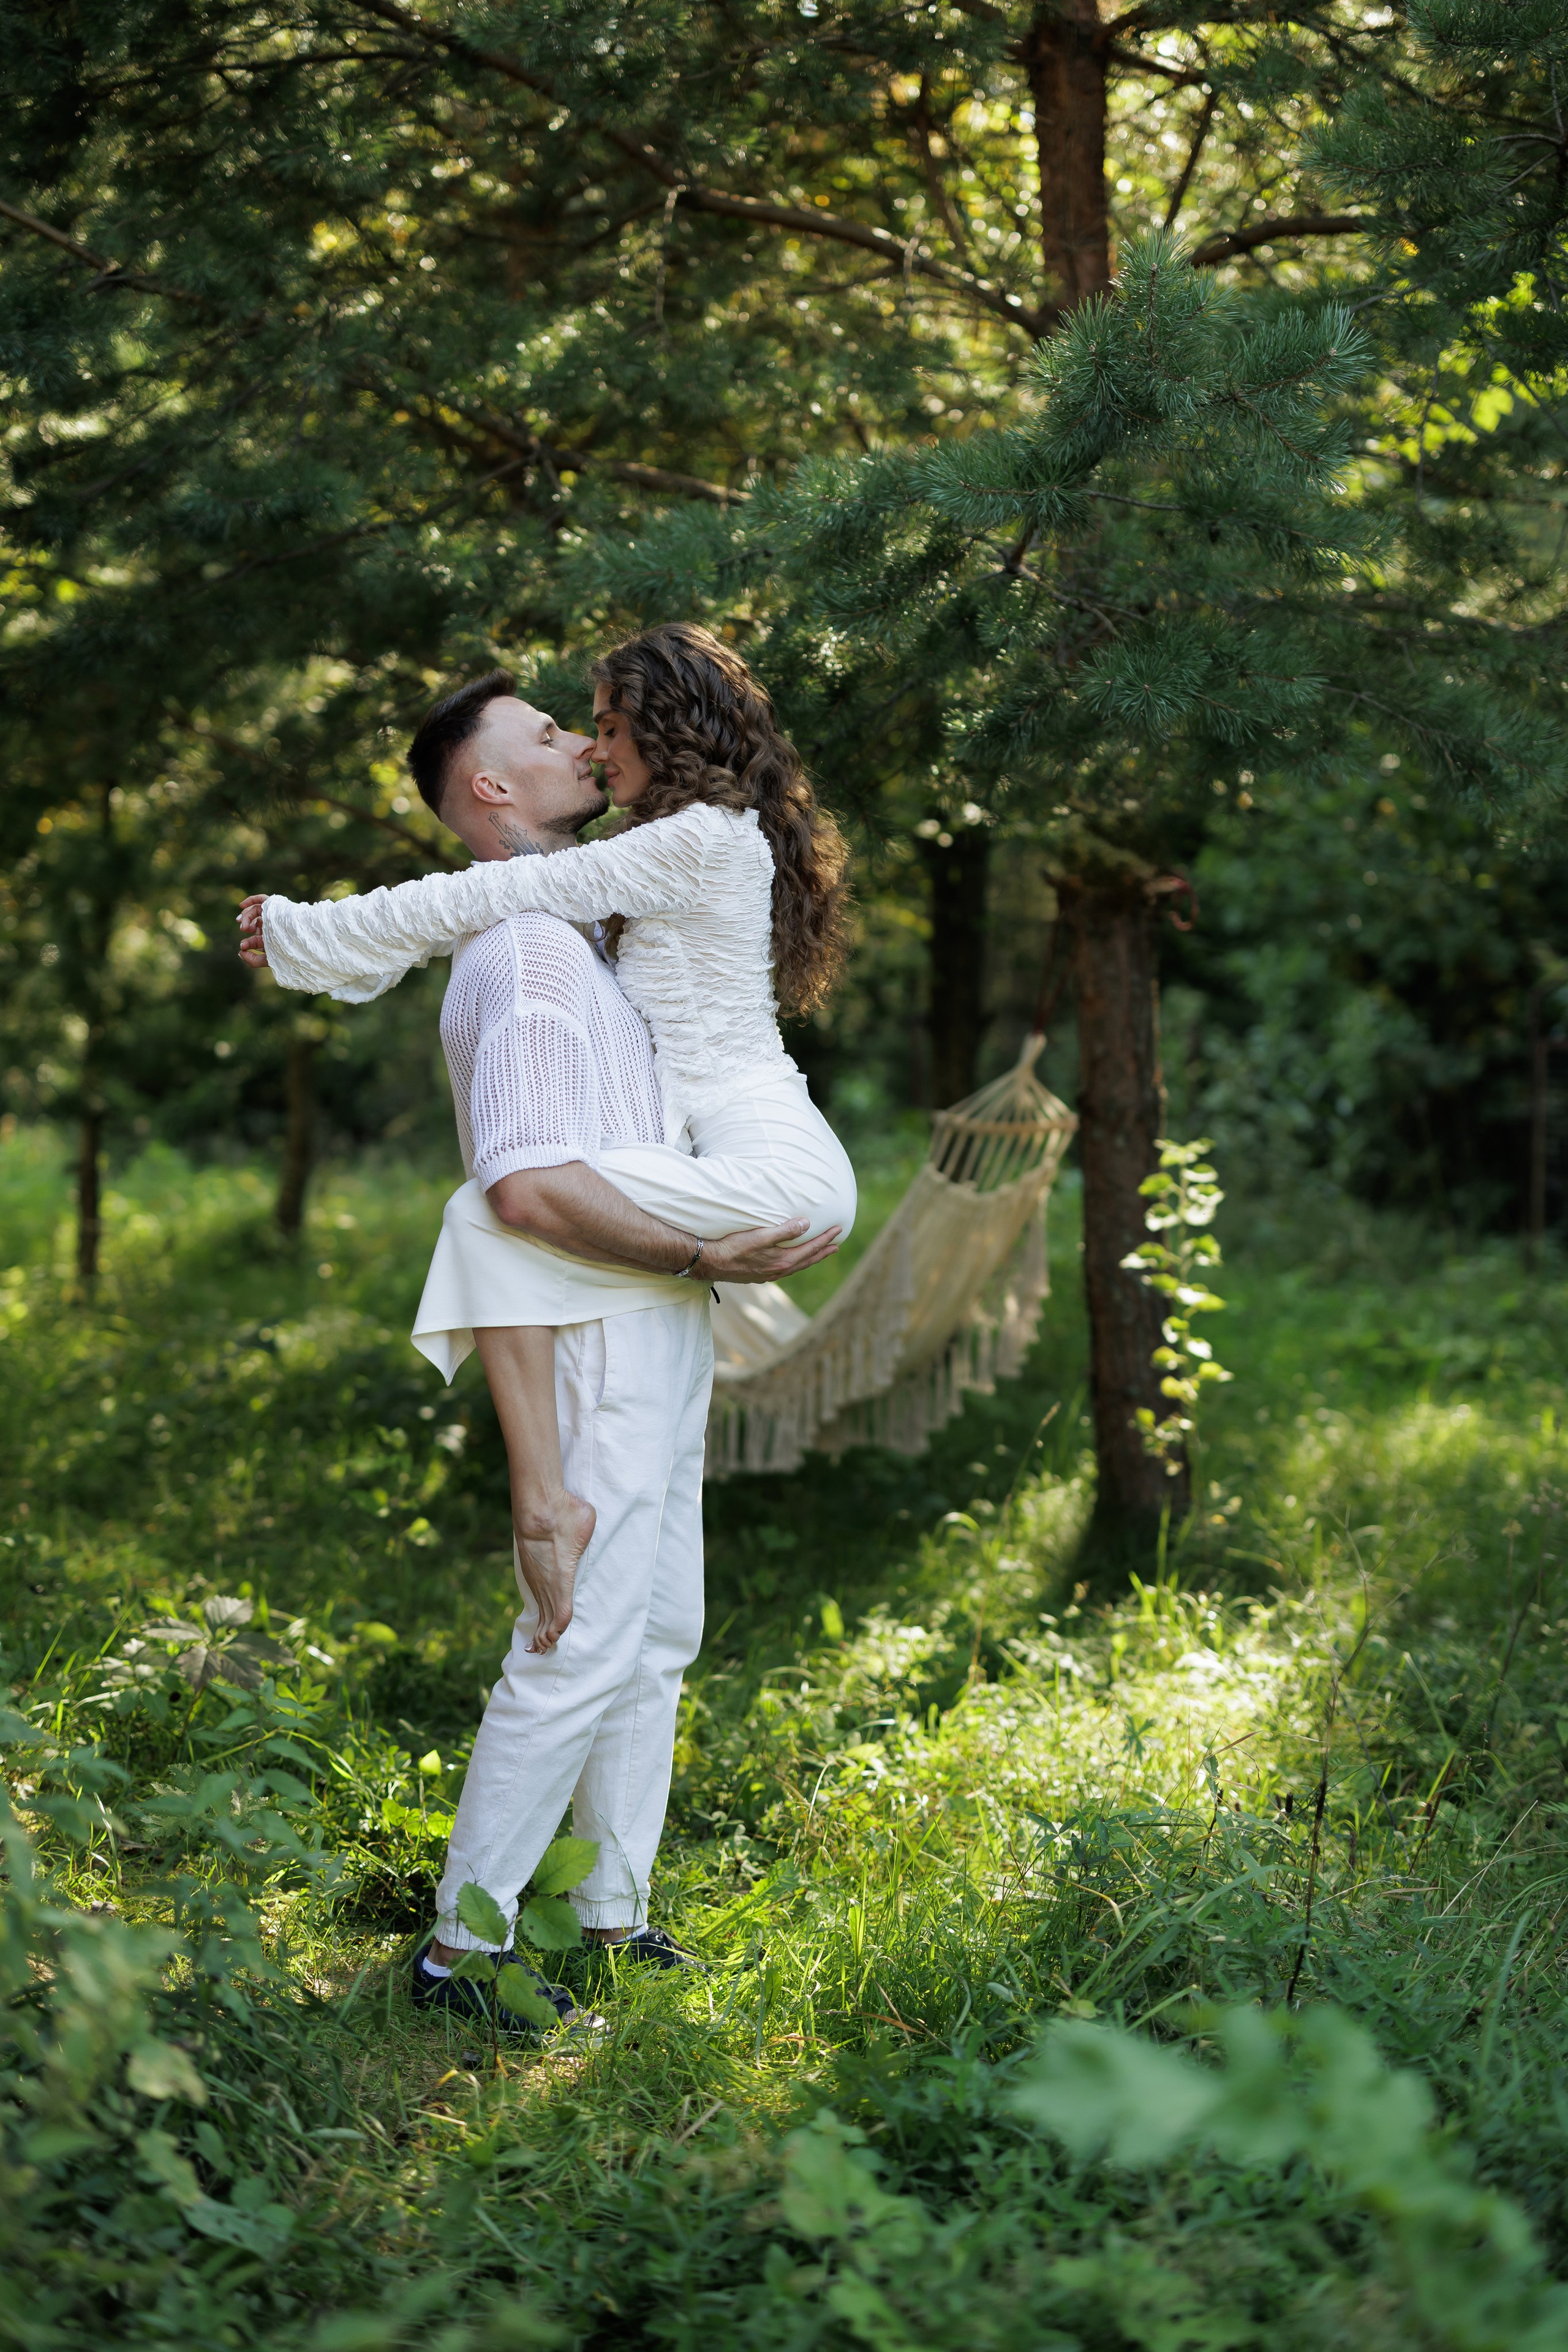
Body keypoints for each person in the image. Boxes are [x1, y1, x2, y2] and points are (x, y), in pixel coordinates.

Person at [237, 638, 850, 2019]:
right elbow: (520, 1195)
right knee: (576, 1641)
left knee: (657, 1634)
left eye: (595, 725)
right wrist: (548, 1465)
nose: (584, 742)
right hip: (604, 1323)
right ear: (492, 788)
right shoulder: (525, 957)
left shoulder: (590, 928)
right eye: (550, 733)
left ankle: (609, 1915)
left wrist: (696, 1262)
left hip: (657, 1313)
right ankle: (461, 1951)